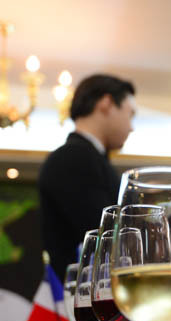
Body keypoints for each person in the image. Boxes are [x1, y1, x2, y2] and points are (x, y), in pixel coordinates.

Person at [38, 74, 136, 281]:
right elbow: (107, 236)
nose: (131, 127)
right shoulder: (74, 157)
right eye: (130, 114)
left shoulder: (84, 157)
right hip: (86, 292)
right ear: (106, 104)